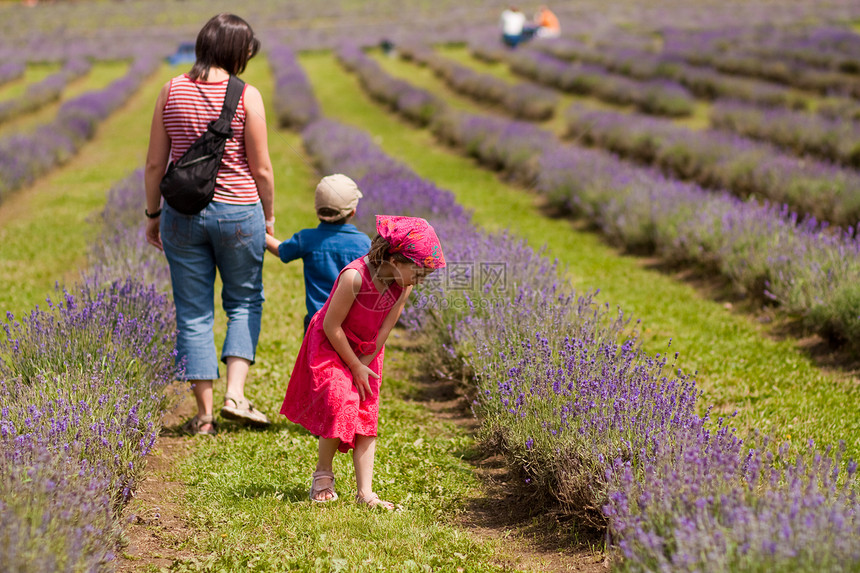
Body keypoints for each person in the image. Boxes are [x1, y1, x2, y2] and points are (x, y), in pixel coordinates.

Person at [144, 13, 275, 436]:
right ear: (237, 51)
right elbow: (263, 169)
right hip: (239, 213)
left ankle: (204, 417)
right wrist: (267, 217)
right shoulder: (247, 95)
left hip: (180, 215)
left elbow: (153, 164)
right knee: (244, 300)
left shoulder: (171, 90)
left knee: (193, 311)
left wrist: (152, 214)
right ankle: (235, 394)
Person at [281, 215, 446, 508]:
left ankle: (365, 493)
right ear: (395, 260)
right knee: (339, 401)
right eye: (418, 273)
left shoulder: (402, 286)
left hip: (367, 350)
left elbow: (385, 328)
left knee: (365, 414)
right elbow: (331, 325)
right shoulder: (355, 277)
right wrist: (353, 366)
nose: (419, 281)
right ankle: (323, 473)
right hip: (333, 344)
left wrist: (364, 363)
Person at [265, 174, 371, 334]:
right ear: (353, 212)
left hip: (316, 324)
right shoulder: (364, 244)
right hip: (351, 325)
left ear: (317, 210)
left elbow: (281, 251)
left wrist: (260, 233)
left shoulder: (307, 239)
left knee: (314, 359)